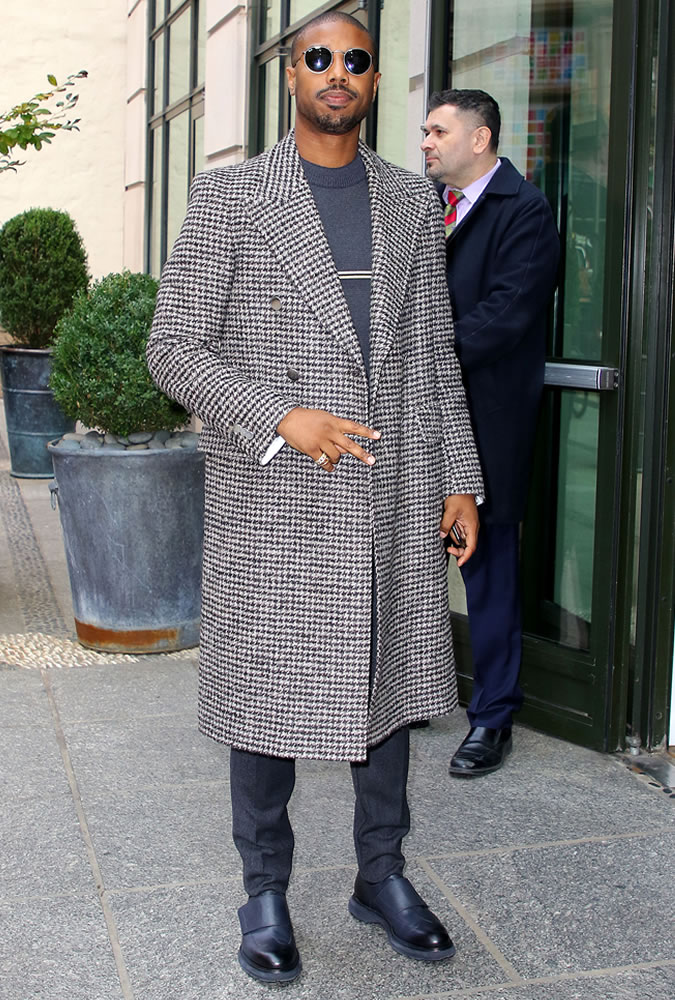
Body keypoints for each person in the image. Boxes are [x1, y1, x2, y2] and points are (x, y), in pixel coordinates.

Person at [147, 13, 483, 985]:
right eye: (319, 58)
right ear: (290, 74)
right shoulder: (230, 195)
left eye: (356, 60)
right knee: (265, 703)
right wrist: (278, 416)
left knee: (391, 692)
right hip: (278, 494)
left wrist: (460, 476)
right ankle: (264, 891)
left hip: (392, 489)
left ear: (375, 81)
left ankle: (381, 876)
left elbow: (433, 352)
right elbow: (174, 348)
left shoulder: (412, 199)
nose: (338, 72)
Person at [420, 89, 560, 778]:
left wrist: (420, 355)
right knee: (407, 558)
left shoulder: (524, 211)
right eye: (424, 130)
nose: (425, 142)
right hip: (417, 420)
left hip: (485, 425)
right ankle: (411, 691)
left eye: (438, 131)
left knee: (486, 567)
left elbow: (507, 315)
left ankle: (493, 716)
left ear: (479, 139)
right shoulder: (423, 207)